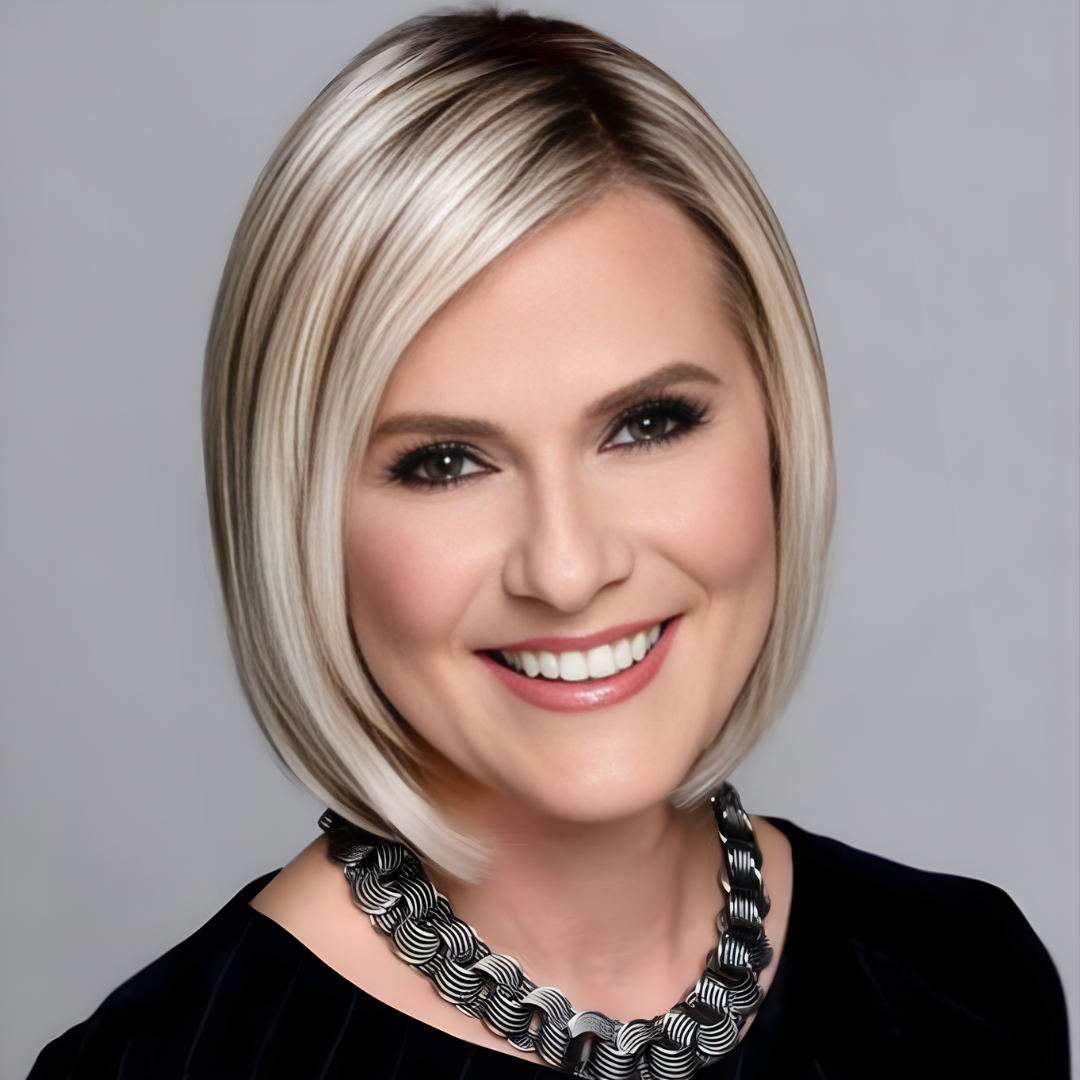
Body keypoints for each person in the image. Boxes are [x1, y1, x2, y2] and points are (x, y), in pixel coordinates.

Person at [28, 9, 1068, 1079]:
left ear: (778, 431)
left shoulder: (966, 980)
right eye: (445, 463)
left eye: (648, 423)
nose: (567, 571)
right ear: (301, 522)